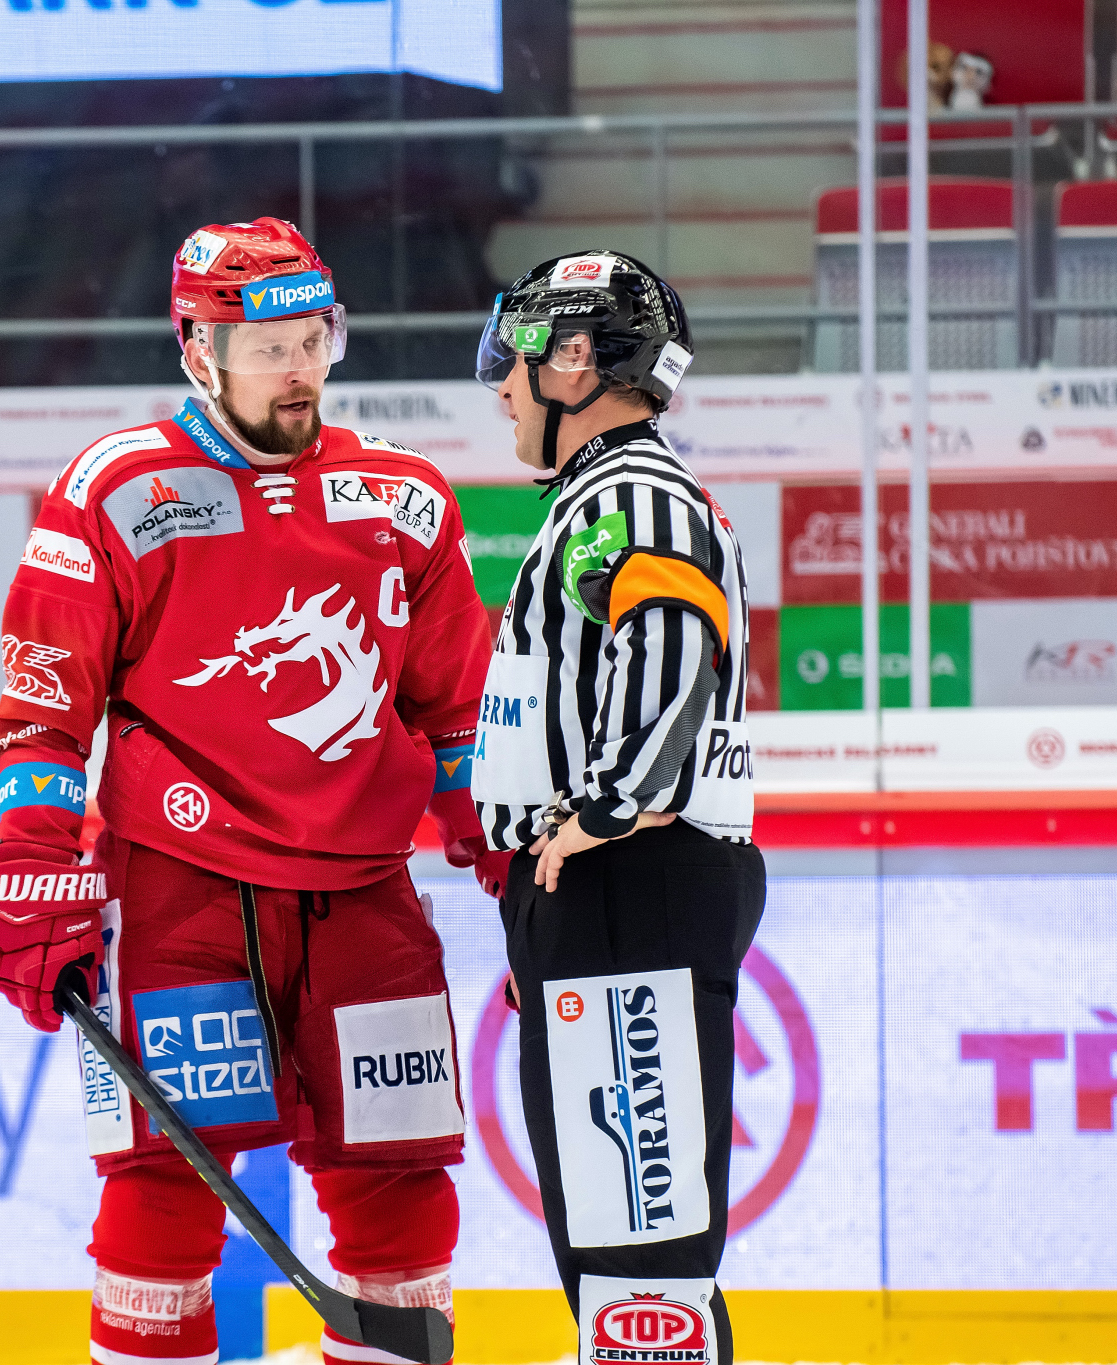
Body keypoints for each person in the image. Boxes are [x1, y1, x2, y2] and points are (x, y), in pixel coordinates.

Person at [0, 217, 506, 1365]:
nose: (299, 370)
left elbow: (457, 707)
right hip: (182, 895)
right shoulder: (115, 489)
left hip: (364, 898)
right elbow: (45, 706)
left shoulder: (402, 496)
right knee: (164, 1185)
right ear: (196, 351)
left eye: (314, 342)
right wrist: (34, 861)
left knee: (400, 1188)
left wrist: (503, 845)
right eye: (269, 349)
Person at [468, 250, 766, 1365]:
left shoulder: (629, 494)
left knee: (638, 1237)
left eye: (516, 358)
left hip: (626, 885)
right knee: (621, 1226)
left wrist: (606, 808)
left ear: (577, 359)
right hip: (613, 891)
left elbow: (673, 647)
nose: (501, 386)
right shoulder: (609, 493)